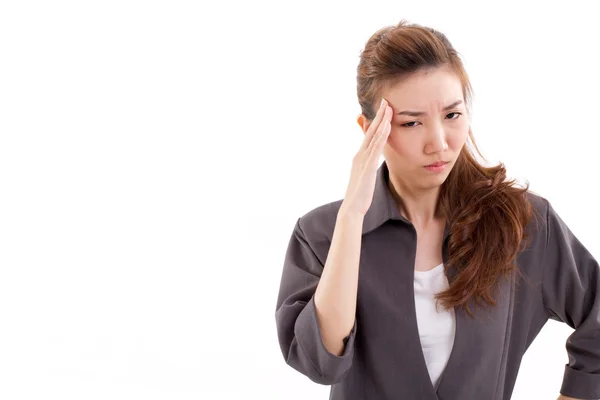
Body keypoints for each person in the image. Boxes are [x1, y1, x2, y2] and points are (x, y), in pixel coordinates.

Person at [274, 20, 600, 400]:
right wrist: (351, 217)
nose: (440, 143)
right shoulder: (322, 233)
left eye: (452, 115)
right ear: (369, 129)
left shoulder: (522, 222)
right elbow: (320, 362)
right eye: (412, 122)